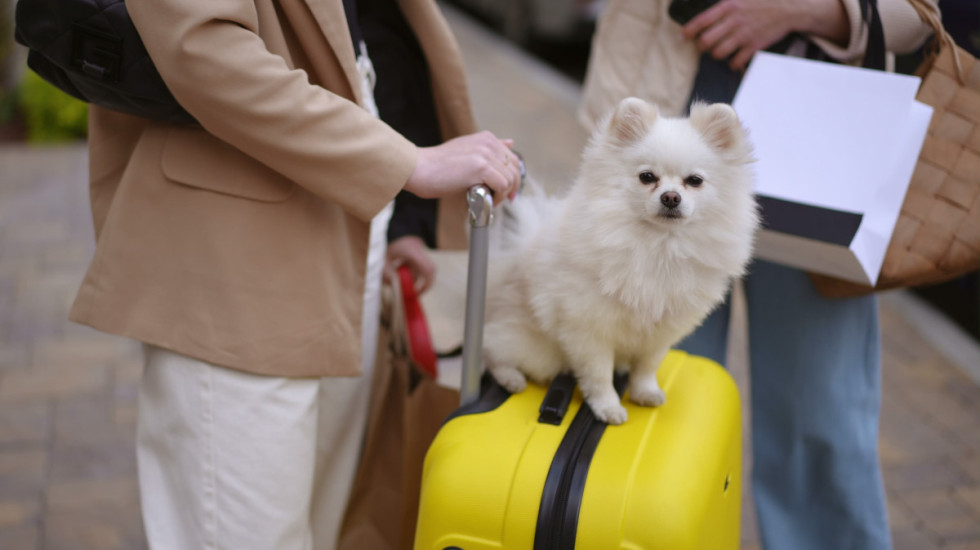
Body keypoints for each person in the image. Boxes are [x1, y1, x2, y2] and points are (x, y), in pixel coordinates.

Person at [67, 0, 522, 548]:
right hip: (234, 248)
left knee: (320, 523)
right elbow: (203, 49)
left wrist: (402, 212)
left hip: (348, 210)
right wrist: (408, 165)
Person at [579, 1, 938, 549]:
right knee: (653, 398)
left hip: (823, 141)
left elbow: (919, 13)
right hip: (659, 116)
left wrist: (801, 10)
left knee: (819, 418)